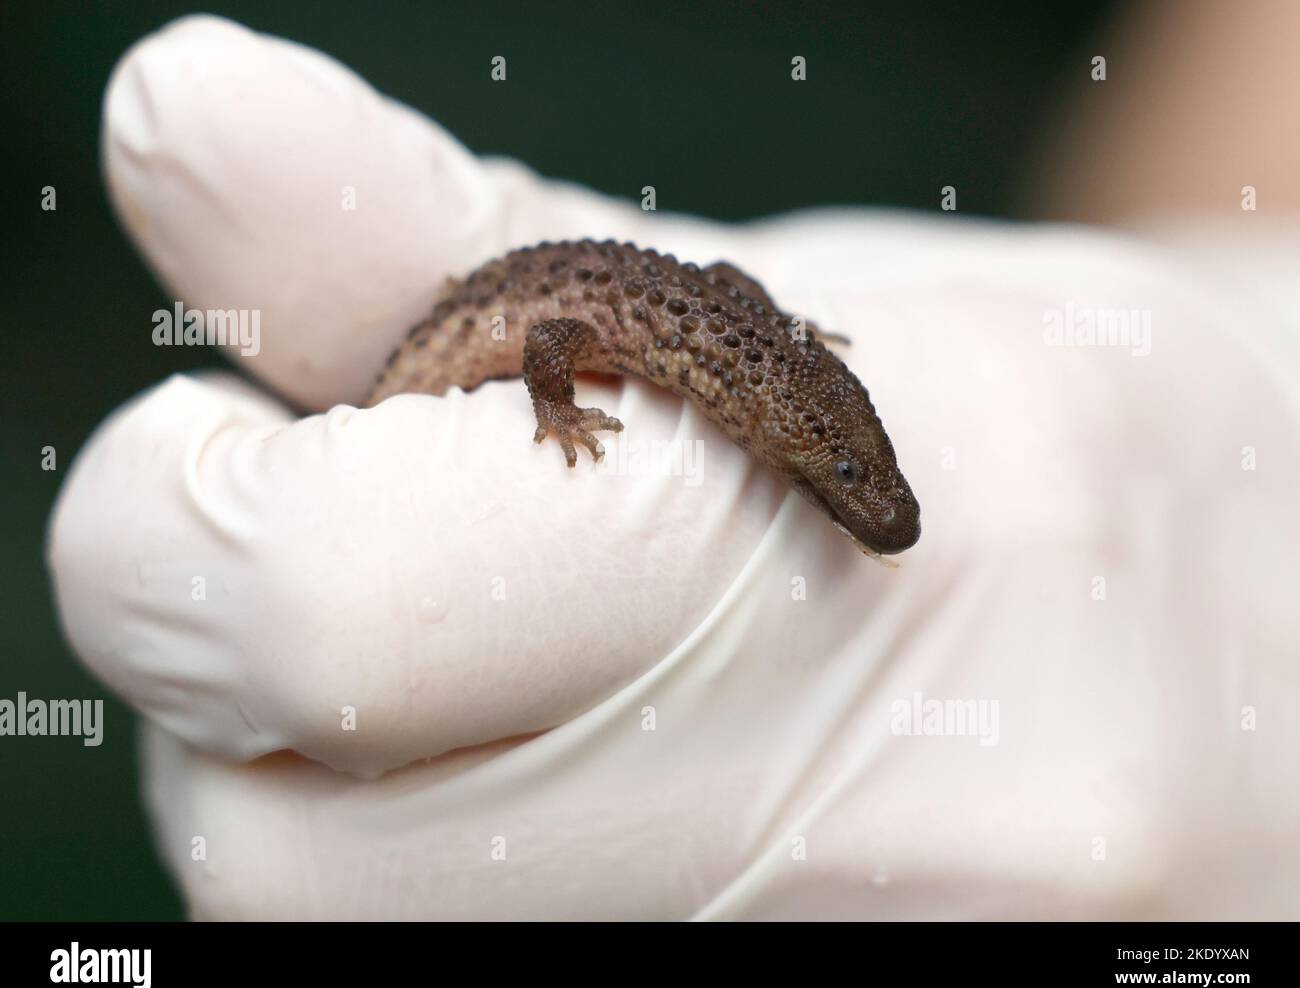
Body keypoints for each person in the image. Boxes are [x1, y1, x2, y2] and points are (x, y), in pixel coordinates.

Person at [48, 15, 1300, 919]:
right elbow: (547, 335)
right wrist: (557, 419)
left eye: (858, 470)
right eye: (848, 469)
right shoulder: (655, 339)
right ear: (777, 418)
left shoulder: (748, 360)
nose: (865, 500)